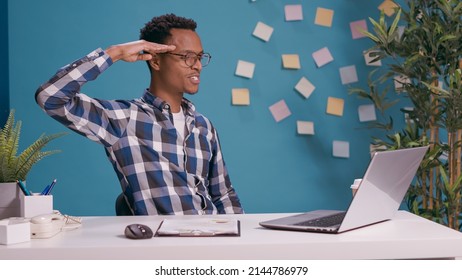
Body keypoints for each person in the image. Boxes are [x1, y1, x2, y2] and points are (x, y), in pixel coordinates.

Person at [35, 14, 243, 215]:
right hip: (162, 245)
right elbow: (50, 97)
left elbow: (223, 195)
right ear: (156, 61)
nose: (197, 65)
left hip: (212, 241)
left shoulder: (203, 127)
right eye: (187, 57)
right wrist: (114, 53)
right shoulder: (124, 119)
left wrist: (238, 242)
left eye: (199, 57)